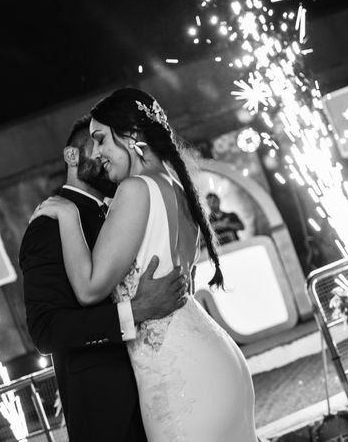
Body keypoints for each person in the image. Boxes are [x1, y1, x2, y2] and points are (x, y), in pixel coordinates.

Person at [31, 88, 257, 442]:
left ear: (132, 135)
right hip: (213, 358)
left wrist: (68, 214)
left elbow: (90, 289)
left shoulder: (135, 189)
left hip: (178, 378)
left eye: (102, 140)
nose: (99, 153)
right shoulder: (175, 185)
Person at [19, 114, 188, 442]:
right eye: (95, 142)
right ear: (71, 155)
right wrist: (134, 312)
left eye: (110, 143)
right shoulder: (48, 226)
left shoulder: (126, 207)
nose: (102, 153)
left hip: (165, 383)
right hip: (111, 411)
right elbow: (45, 330)